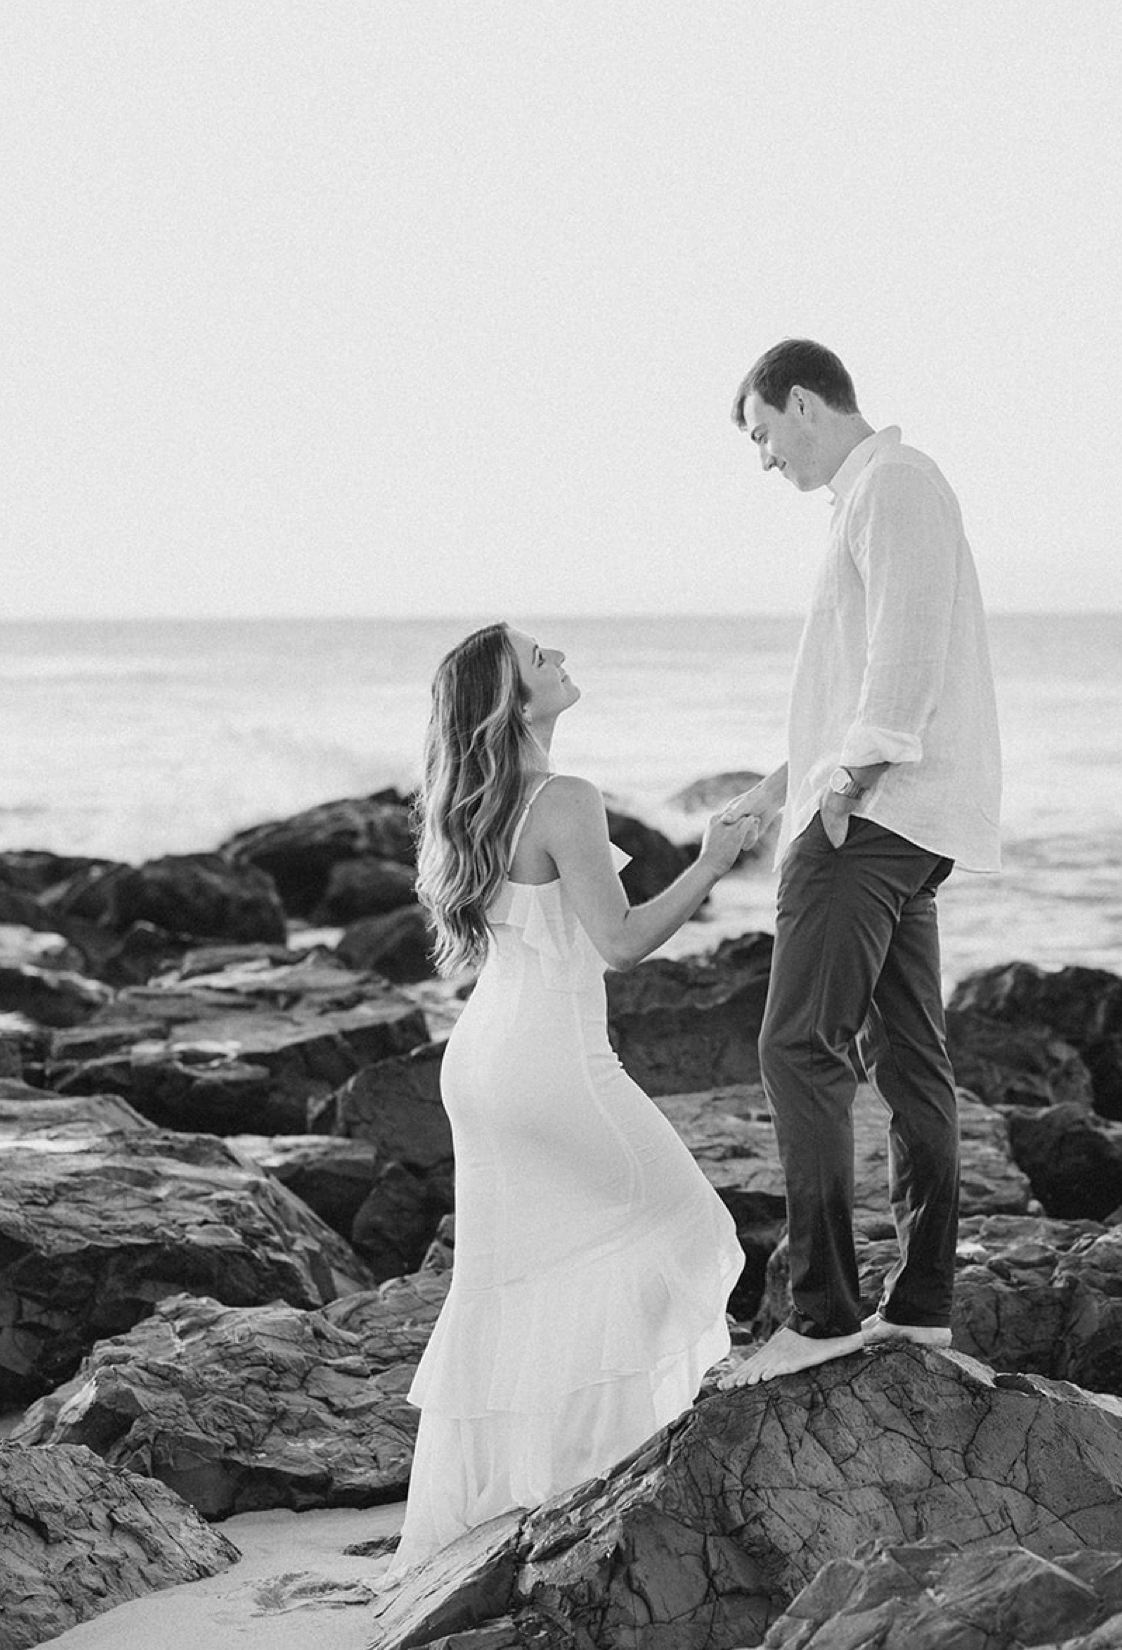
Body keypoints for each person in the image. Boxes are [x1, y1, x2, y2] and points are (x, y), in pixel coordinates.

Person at [388, 622, 752, 1576]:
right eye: (535, 656)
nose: (556, 655)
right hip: (555, 1065)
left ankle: (513, 1500)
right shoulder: (563, 799)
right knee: (689, 1230)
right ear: (513, 701)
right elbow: (622, 942)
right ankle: (595, 1471)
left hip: (481, 1065)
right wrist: (711, 863)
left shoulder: (476, 804)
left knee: (512, 1287)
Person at [717, 339, 1001, 1389]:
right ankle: (920, 1305)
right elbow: (854, 683)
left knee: (799, 1049)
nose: (761, 461)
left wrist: (843, 786)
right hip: (896, 816)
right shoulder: (876, 495)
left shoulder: (892, 483)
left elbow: (903, 655)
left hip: (875, 819)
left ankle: (825, 1308)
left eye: (760, 435)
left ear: (802, 403)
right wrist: (778, 786)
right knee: (908, 1059)